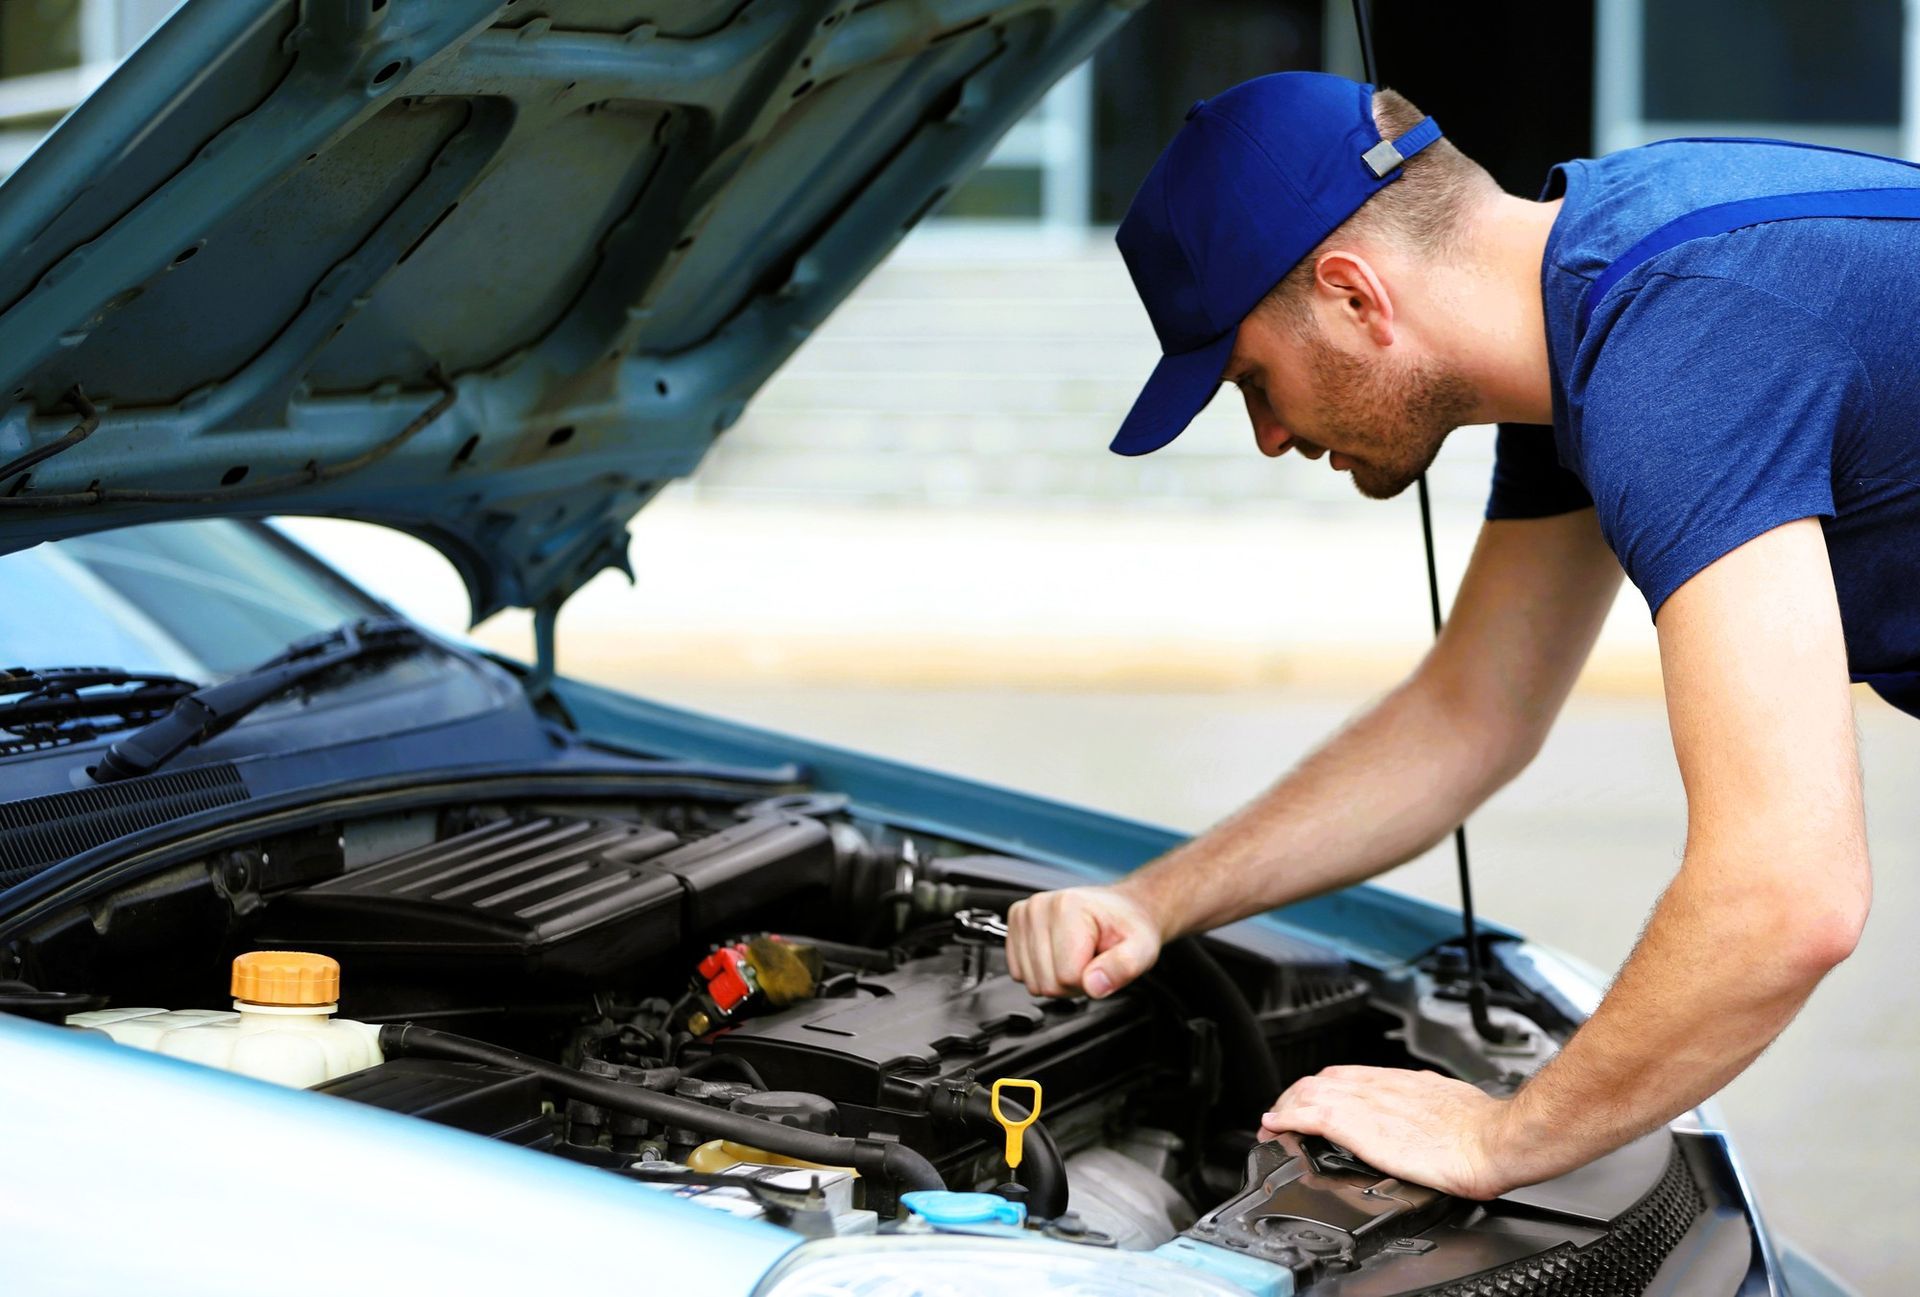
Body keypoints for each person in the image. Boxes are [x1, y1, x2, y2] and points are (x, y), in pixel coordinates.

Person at [1004, 71, 1914, 1200]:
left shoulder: (1676, 346)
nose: (1272, 435)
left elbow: (1787, 894)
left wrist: (1502, 1139)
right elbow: (1469, 711)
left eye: (1251, 380)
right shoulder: (1595, 302)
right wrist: (1152, 902)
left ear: (1353, 296)